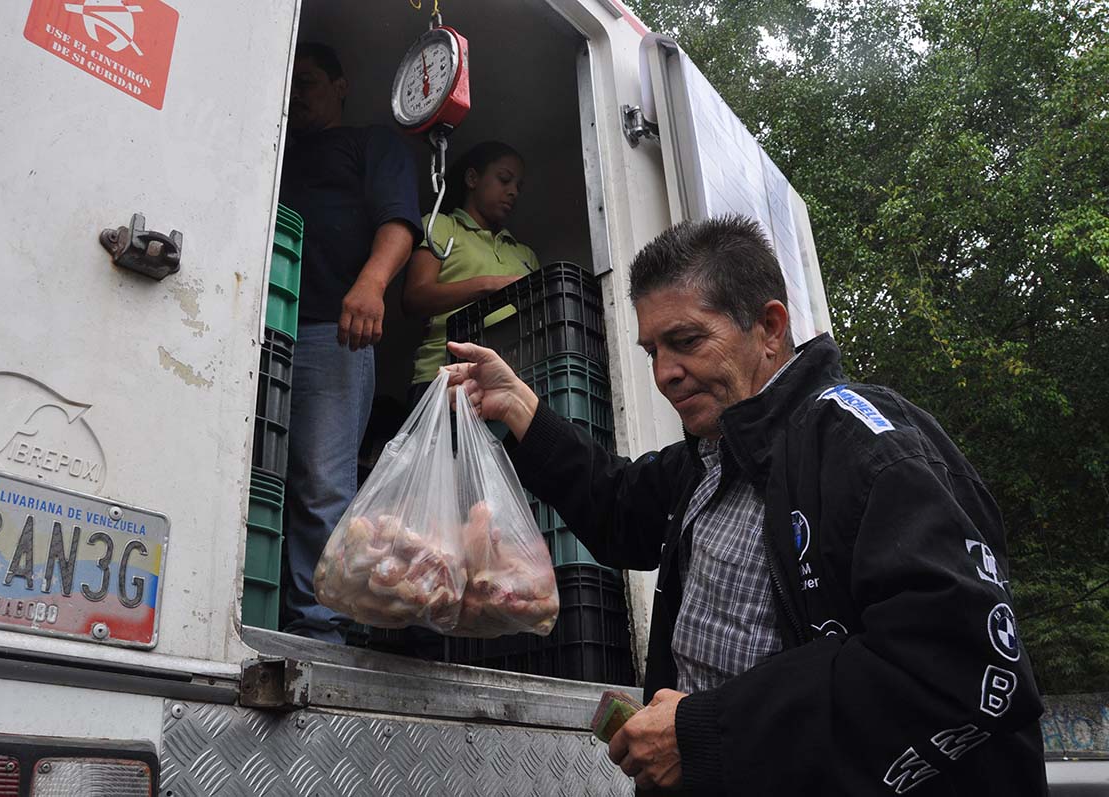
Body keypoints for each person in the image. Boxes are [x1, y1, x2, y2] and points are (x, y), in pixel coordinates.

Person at [444, 215, 1046, 794]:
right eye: (652, 350)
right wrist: (522, 408)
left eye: (685, 342)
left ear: (769, 327)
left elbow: (964, 665)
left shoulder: (866, 446)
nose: (665, 374)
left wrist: (706, 732)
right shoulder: (712, 455)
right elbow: (617, 508)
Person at [278, 43, 421, 642]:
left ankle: (320, 629)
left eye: (310, 81)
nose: (300, 93)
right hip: (255, 325)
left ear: (340, 87)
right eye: (294, 83)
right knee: (259, 475)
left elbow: (399, 223)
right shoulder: (272, 143)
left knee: (320, 482)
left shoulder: (369, 142)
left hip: (327, 332)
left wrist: (371, 284)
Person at [403, 141, 539, 406]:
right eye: (504, 179)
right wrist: (490, 285)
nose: (513, 192)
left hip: (512, 387)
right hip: (444, 379)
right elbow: (414, 298)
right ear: (472, 178)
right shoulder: (441, 226)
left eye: (518, 187)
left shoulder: (525, 255)